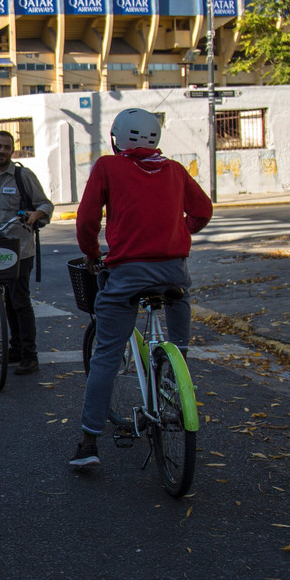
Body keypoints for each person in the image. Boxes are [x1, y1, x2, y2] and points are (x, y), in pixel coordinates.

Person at [70, 108, 213, 468]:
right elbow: (203, 211)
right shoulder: (176, 170)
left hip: (128, 275)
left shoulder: (108, 166)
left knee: (105, 356)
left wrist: (91, 254)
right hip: (174, 274)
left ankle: (88, 443)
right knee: (179, 343)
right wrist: (178, 232)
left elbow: (87, 219)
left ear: (118, 138)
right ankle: (175, 379)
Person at [0, 130, 54, 375]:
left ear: (12, 151)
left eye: (7, 147)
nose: (2, 151)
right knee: (5, 300)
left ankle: (30, 355)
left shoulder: (22, 175)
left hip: (19, 250)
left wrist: (35, 215)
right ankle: (15, 348)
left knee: (20, 301)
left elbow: (45, 205)